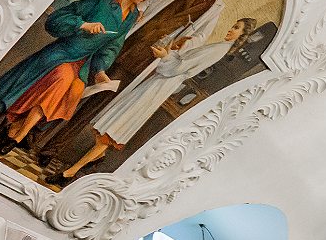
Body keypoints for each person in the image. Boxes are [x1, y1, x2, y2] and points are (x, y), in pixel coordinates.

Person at [31, 0, 252, 164]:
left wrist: (183, 43)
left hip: (144, 59)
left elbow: (201, 37)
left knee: (95, 104)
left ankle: (50, 150)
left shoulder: (217, 8)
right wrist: (138, 14)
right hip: (124, 41)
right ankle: (35, 130)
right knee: (75, 86)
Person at [54, 17, 257, 186]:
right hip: (158, 82)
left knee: (115, 128)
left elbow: (180, 69)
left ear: (242, 35)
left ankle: (70, 173)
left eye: (236, 28)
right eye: (233, 25)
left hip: (162, 85)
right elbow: (182, 62)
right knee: (112, 123)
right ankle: (95, 158)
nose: (231, 29)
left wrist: (165, 57)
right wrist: (170, 53)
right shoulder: (219, 46)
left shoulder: (219, 49)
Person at [0, 0, 167, 152]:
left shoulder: (132, 16)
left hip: (82, 64)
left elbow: (111, 46)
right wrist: (82, 24)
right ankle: (17, 135)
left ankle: (21, 128)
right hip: (62, 54)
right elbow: (57, 19)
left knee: (76, 89)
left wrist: (100, 71)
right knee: (62, 79)